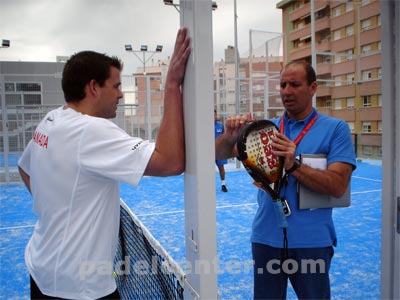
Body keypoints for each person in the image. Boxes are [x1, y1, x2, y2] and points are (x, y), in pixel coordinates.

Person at [17, 28, 191, 300]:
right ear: (94, 87)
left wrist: (57, 207)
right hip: (79, 288)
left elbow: (24, 168)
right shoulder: (91, 130)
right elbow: (170, 162)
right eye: (116, 86)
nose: (121, 95)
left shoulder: (52, 120)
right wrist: (172, 85)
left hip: (41, 268)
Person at [215, 60, 356, 299]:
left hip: (312, 242)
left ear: (313, 87)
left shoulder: (336, 129)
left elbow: (338, 186)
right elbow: (218, 155)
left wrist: (293, 165)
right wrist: (229, 138)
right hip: (266, 239)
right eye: (282, 85)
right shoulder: (265, 129)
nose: (286, 91)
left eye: (294, 84)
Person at [214, 109, 228, 192]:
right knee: (207, 169)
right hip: (208, 152)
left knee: (221, 168)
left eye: (214, 114)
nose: (213, 116)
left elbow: (224, 137)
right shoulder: (204, 127)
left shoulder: (220, 126)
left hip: (219, 151)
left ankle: (223, 184)